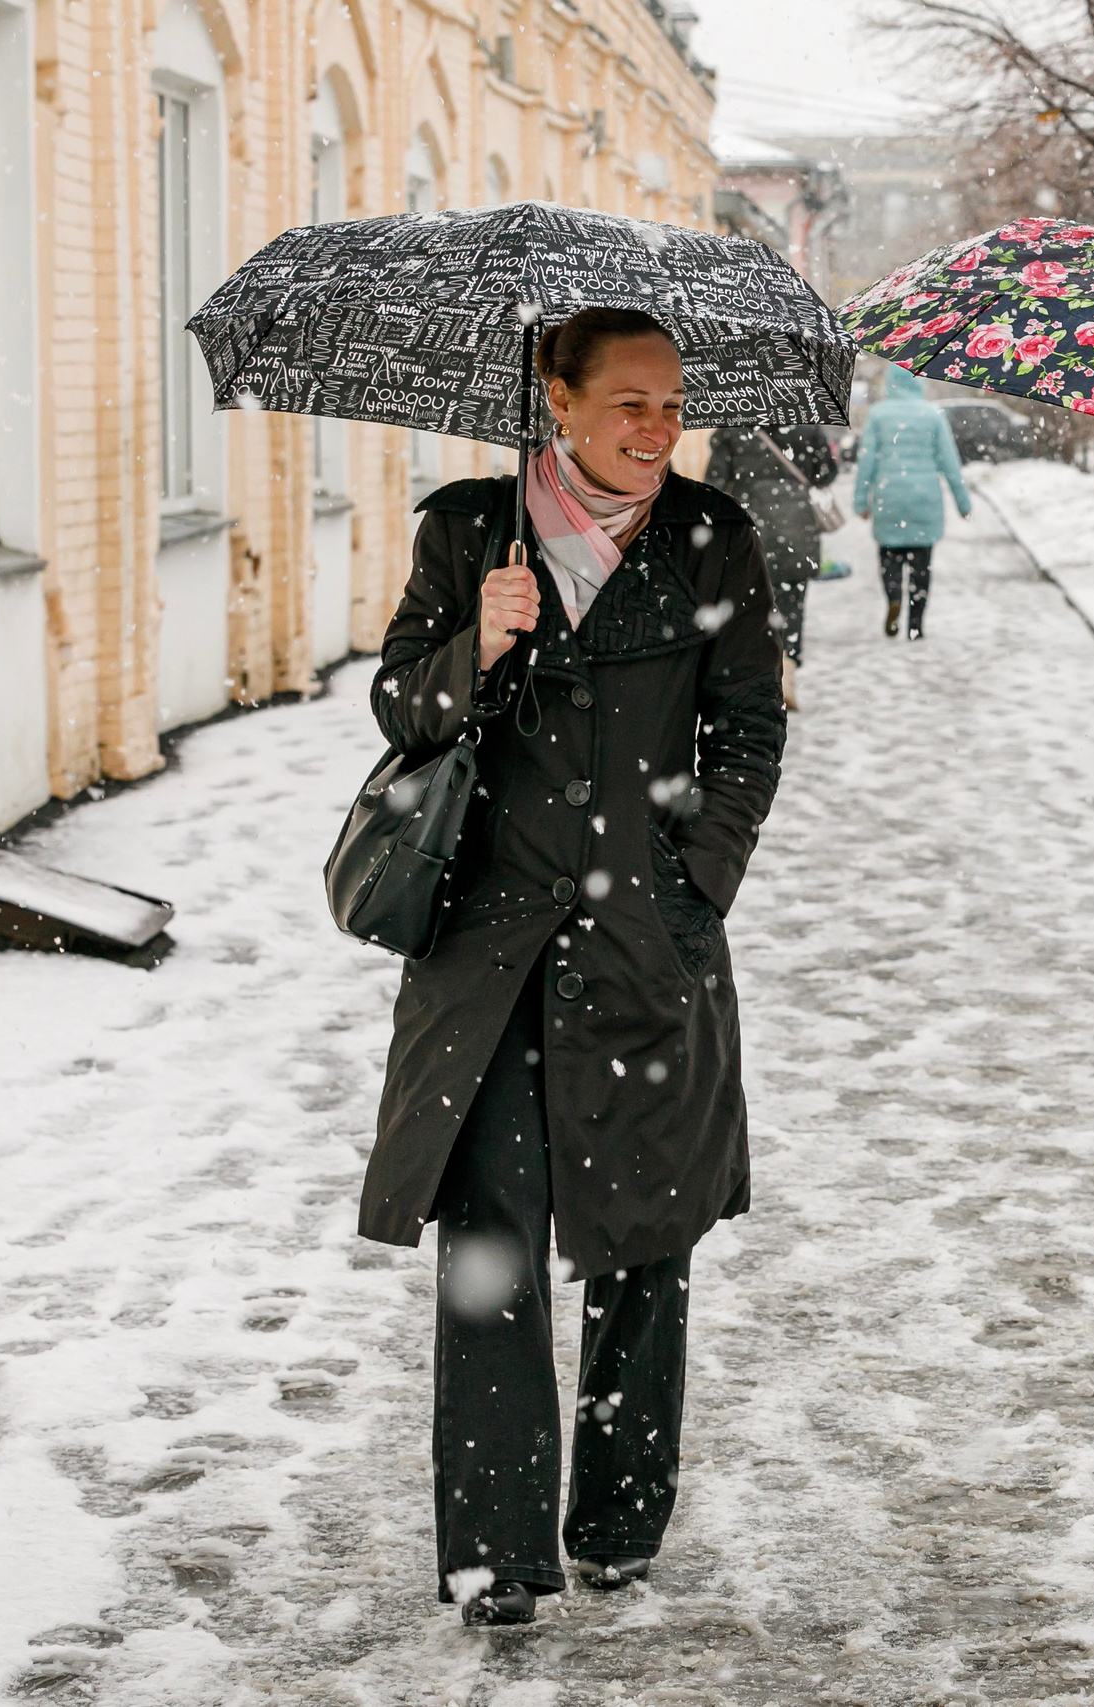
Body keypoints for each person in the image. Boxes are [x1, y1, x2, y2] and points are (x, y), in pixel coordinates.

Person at [358, 306, 788, 1627]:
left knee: (645, 1240)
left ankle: (616, 1518)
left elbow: (750, 730)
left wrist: (692, 884)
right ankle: (496, 1554)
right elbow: (397, 707)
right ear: (558, 396)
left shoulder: (713, 537)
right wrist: (475, 645)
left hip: (646, 942)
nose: (657, 429)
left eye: (673, 405)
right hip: (489, 956)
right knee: (489, 1249)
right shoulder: (466, 531)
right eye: (629, 402)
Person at [705, 422, 838, 709]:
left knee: (749, 606)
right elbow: (826, 473)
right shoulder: (807, 426)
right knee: (792, 603)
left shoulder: (733, 429)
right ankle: (786, 670)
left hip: (750, 530)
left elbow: (714, 484)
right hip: (797, 527)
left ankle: (754, 679)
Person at [851, 365, 971, 639]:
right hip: (923, 500)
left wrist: (861, 502)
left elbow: (866, 461)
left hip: (889, 497)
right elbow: (950, 463)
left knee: (889, 558)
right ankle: (915, 625)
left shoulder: (878, 414)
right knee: (921, 565)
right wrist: (963, 504)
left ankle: (894, 597)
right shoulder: (932, 415)